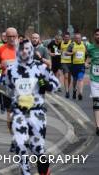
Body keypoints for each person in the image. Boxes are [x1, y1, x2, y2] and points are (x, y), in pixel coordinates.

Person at [6, 39, 60, 175]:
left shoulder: (40, 67)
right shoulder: (11, 70)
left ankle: (44, 172)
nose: (24, 51)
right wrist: (9, 114)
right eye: (21, 48)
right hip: (19, 114)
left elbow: (56, 84)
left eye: (27, 48)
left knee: (37, 149)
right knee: (20, 146)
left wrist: (46, 85)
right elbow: (7, 91)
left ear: (31, 50)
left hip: (37, 114)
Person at [0, 27, 18, 133]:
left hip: (21, 83)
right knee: (9, 110)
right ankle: (13, 135)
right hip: (6, 82)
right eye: (9, 36)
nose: (12, 38)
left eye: (14, 36)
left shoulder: (23, 49)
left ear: (17, 36)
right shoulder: (1, 49)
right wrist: (1, 65)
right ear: (5, 37)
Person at [85, 28, 99, 135]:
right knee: (96, 103)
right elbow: (88, 58)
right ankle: (98, 126)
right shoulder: (90, 48)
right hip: (94, 79)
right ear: (94, 36)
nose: (98, 36)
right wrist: (86, 63)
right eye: (97, 34)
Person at [66, 32, 87, 100]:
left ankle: (80, 93)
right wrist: (72, 53)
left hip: (81, 65)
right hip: (74, 65)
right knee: (75, 79)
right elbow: (66, 53)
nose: (78, 39)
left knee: (80, 79)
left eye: (79, 38)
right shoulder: (72, 45)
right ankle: (74, 90)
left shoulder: (84, 44)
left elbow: (87, 53)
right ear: (74, 39)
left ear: (81, 38)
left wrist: (86, 62)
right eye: (76, 38)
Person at [60, 32, 72, 98]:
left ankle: (68, 88)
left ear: (69, 37)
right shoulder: (61, 43)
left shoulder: (72, 43)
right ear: (63, 37)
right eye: (65, 37)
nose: (67, 38)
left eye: (68, 37)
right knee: (66, 76)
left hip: (71, 62)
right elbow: (58, 50)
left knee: (69, 77)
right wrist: (59, 52)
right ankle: (67, 91)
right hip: (64, 61)